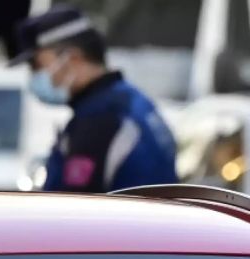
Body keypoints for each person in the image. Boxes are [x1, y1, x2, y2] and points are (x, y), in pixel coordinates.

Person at [9, 6, 178, 192]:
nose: (34, 76)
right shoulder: (130, 100)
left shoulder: (100, 118)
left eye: (37, 65)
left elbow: (72, 208)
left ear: (72, 58)